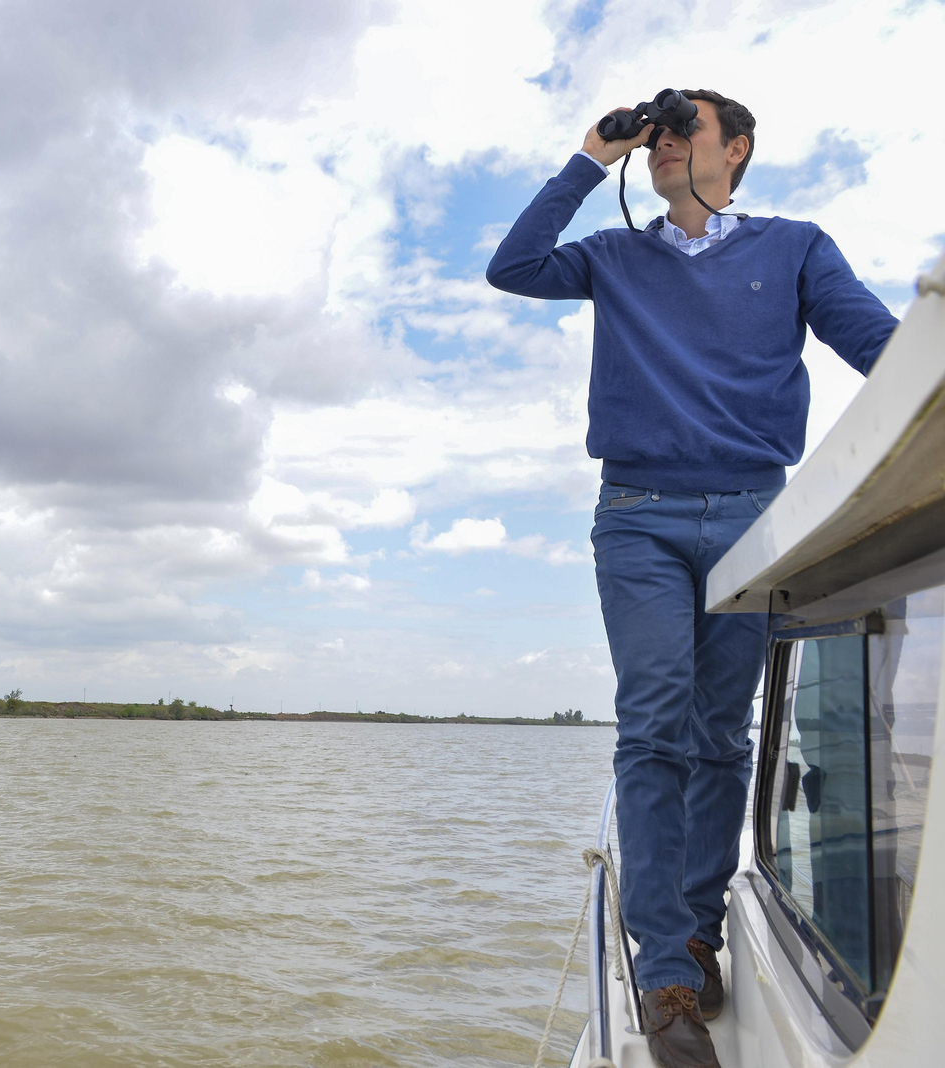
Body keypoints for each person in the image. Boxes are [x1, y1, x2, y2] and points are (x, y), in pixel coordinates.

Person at [486, 91, 897, 1068]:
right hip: (638, 517)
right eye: (653, 133)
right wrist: (594, 153)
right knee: (657, 719)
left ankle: (701, 934)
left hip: (755, 519)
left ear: (736, 149)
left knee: (721, 734)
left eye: (683, 129)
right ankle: (665, 975)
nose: (664, 141)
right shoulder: (617, 257)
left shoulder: (794, 247)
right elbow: (513, 266)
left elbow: (879, 348)